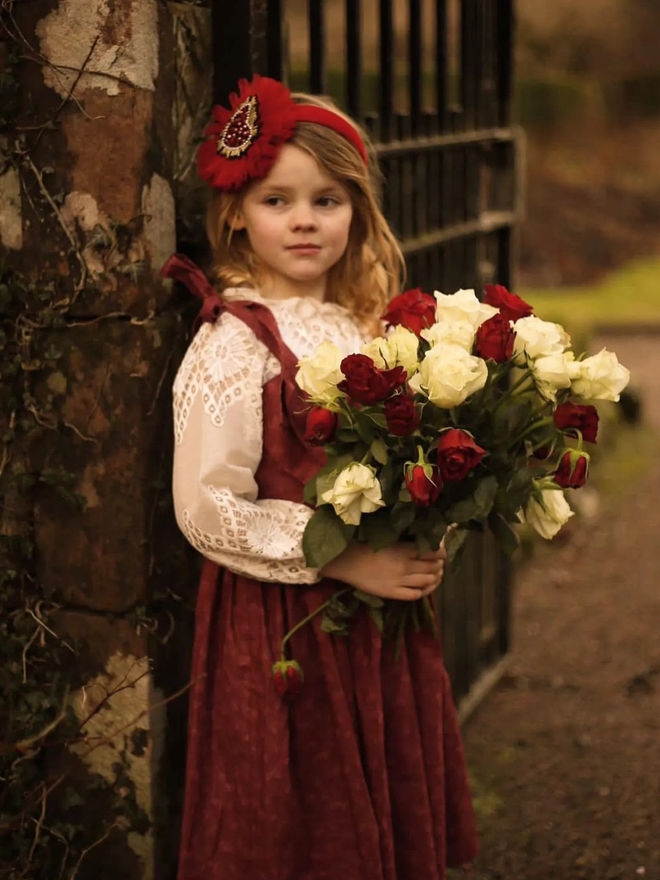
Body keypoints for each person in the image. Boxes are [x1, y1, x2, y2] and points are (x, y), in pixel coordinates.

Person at [164, 74, 478, 880]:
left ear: (357, 212)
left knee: (379, 797)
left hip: (378, 619)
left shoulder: (369, 324)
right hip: (285, 620)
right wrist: (340, 558)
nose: (304, 219)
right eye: (278, 200)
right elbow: (207, 506)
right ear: (236, 212)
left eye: (328, 200)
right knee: (300, 818)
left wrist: (424, 526)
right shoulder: (236, 341)